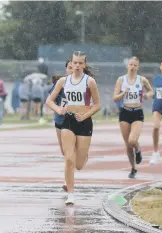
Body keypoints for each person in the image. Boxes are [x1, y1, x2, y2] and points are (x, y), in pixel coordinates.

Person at [46, 51, 101, 205]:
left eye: (80, 63)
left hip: (84, 121)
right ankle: (71, 194)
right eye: (75, 62)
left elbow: (97, 105)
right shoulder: (63, 81)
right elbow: (49, 101)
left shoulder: (90, 82)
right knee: (69, 158)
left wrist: (84, 116)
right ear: (71, 63)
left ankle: (83, 155)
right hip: (68, 120)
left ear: (84, 64)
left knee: (79, 164)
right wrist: (58, 110)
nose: (77, 66)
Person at [113, 56, 153, 178]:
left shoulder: (142, 80)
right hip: (125, 112)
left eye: (135, 65)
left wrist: (146, 95)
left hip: (137, 113)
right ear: (127, 66)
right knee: (127, 144)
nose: (132, 67)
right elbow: (115, 98)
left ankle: (139, 150)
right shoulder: (121, 80)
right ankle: (133, 168)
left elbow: (151, 92)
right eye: (131, 65)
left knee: (132, 140)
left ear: (138, 67)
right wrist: (123, 93)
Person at [47, 60, 73, 161]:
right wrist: (58, 109)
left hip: (76, 119)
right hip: (60, 119)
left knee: (72, 149)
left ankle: (72, 164)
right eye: (69, 68)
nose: (72, 70)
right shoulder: (60, 83)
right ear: (66, 69)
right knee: (64, 151)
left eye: (74, 67)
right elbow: (49, 101)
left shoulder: (84, 82)